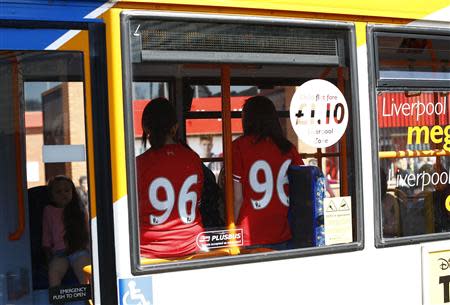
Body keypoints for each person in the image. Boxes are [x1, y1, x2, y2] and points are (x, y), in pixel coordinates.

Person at [137, 97, 205, 258]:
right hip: (193, 245)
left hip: (150, 250)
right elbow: (198, 202)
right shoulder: (193, 158)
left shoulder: (138, 164)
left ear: (146, 128)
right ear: (175, 128)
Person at [232, 95, 303, 249]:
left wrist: (232, 229)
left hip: (249, 234)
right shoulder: (288, 148)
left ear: (247, 119)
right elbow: (302, 186)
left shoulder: (239, 146)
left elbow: (237, 198)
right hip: (282, 230)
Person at [42, 175, 90, 287]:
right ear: (51, 196)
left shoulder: (79, 209)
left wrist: (89, 249)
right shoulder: (48, 210)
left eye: (67, 190)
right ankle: (58, 301)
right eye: (58, 192)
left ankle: (90, 301)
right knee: (53, 273)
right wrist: (47, 250)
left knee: (85, 273)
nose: (63, 194)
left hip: (78, 250)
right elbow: (47, 231)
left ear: (73, 193)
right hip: (59, 252)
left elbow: (87, 231)